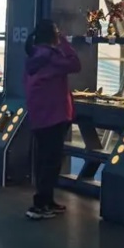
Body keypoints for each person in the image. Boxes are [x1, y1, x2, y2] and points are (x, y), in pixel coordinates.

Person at [23, 20, 81, 220]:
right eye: (57, 31)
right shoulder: (51, 56)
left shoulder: (34, 54)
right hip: (54, 115)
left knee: (44, 159)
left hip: (40, 115)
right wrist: (64, 42)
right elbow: (75, 64)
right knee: (51, 162)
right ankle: (40, 204)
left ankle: (47, 200)